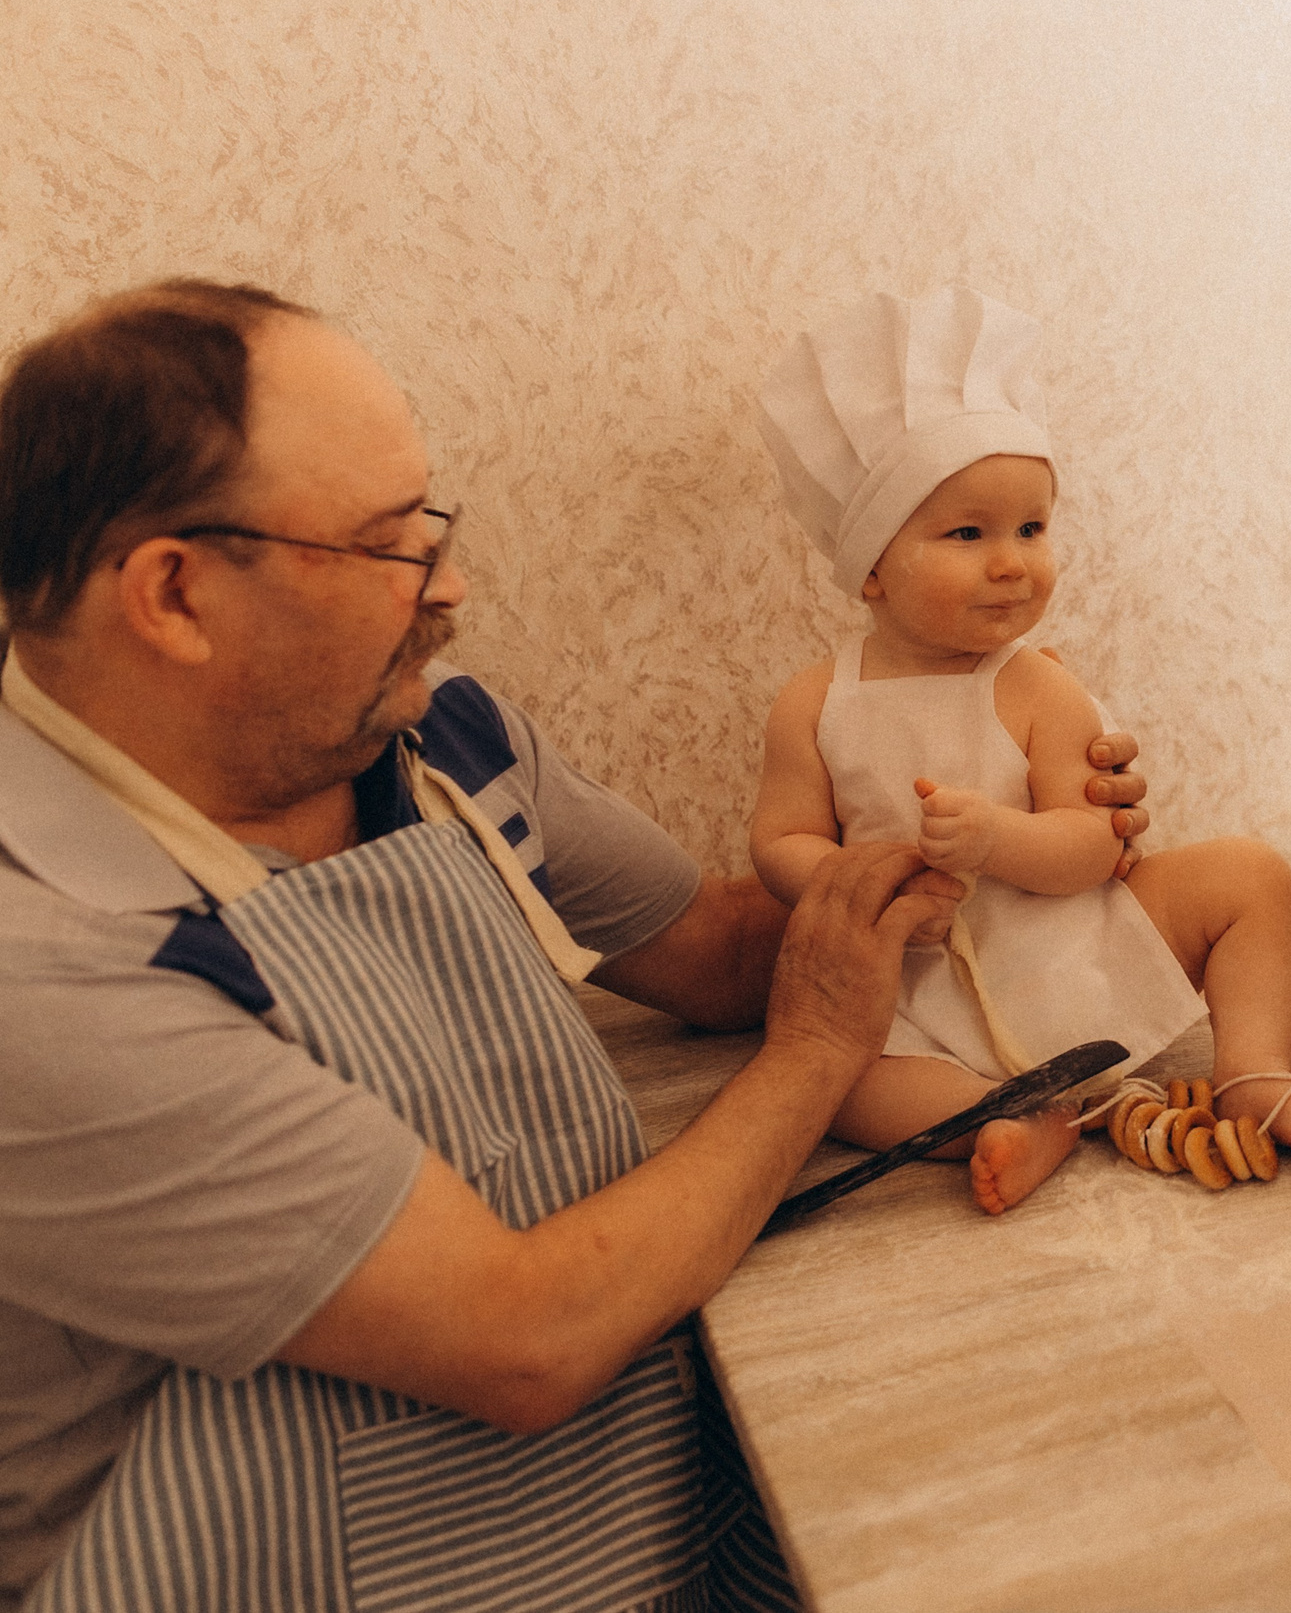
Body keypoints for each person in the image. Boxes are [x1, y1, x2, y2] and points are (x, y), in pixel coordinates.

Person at [0, 279, 1152, 1610]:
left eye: (434, 523)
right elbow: (525, 1333)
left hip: (632, 1487)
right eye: (394, 547)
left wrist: (1010, 843)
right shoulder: (49, 963)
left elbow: (719, 950)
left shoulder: (435, 740)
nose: (455, 583)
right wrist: (824, 1040)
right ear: (176, 595)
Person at [750, 283, 1291, 1214]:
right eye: (969, 533)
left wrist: (995, 837)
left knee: (1252, 875)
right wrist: (856, 887)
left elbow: (1097, 844)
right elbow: (780, 840)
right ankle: (1013, 1117)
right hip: (917, 972)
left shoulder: (1033, 684)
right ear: (870, 564)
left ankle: (1252, 1068)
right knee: (838, 1077)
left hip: (1070, 941)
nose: (1014, 560)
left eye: (1032, 528)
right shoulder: (815, 701)